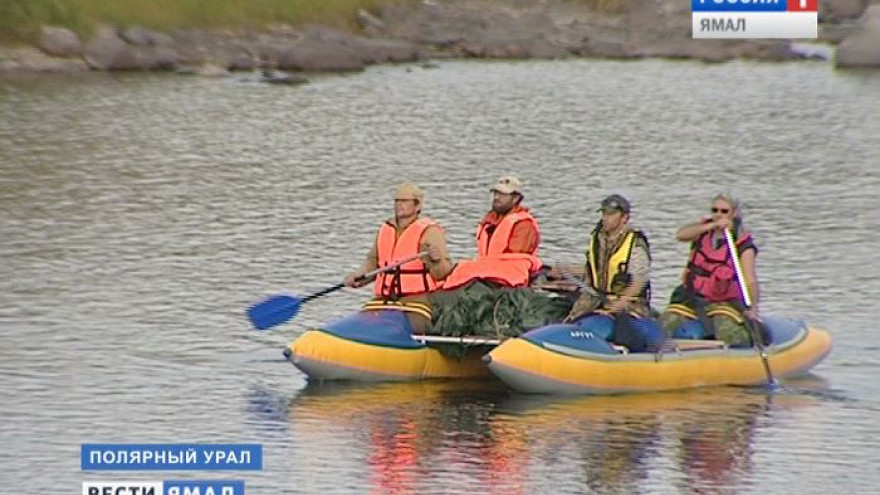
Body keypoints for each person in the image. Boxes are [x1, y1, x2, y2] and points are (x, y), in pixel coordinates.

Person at [344, 183, 454, 334]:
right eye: (397, 201)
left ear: (417, 206)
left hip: (417, 300)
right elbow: (373, 262)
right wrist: (359, 276)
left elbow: (444, 272)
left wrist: (435, 260)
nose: (399, 205)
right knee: (360, 326)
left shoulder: (429, 231)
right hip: (385, 299)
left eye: (404, 201)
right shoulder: (385, 229)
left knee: (401, 329)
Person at [659, 193, 760, 346]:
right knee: (664, 324)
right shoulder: (702, 231)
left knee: (725, 331)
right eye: (715, 210)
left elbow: (750, 281)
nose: (719, 214)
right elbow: (680, 235)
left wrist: (753, 307)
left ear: (734, 213)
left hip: (724, 301)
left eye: (724, 211)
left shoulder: (742, 244)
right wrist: (712, 225)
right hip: (693, 297)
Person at [441, 175, 543, 290]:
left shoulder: (524, 224)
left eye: (503, 195)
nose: (497, 197)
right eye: (496, 193)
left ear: (516, 198)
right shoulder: (490, 221)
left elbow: (515, 261)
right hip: (486, 273)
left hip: (507, 279)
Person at [563, 194, 652, 322]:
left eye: (611, 214)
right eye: (604, 213)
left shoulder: (635, 244)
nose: (605, 218)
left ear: (624, 218)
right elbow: (591, 273)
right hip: (596, 297)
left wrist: (616, 307)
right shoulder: (597, 239)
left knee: (627, 326)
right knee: (572, 320)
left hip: (629, 302)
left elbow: (638, 283)